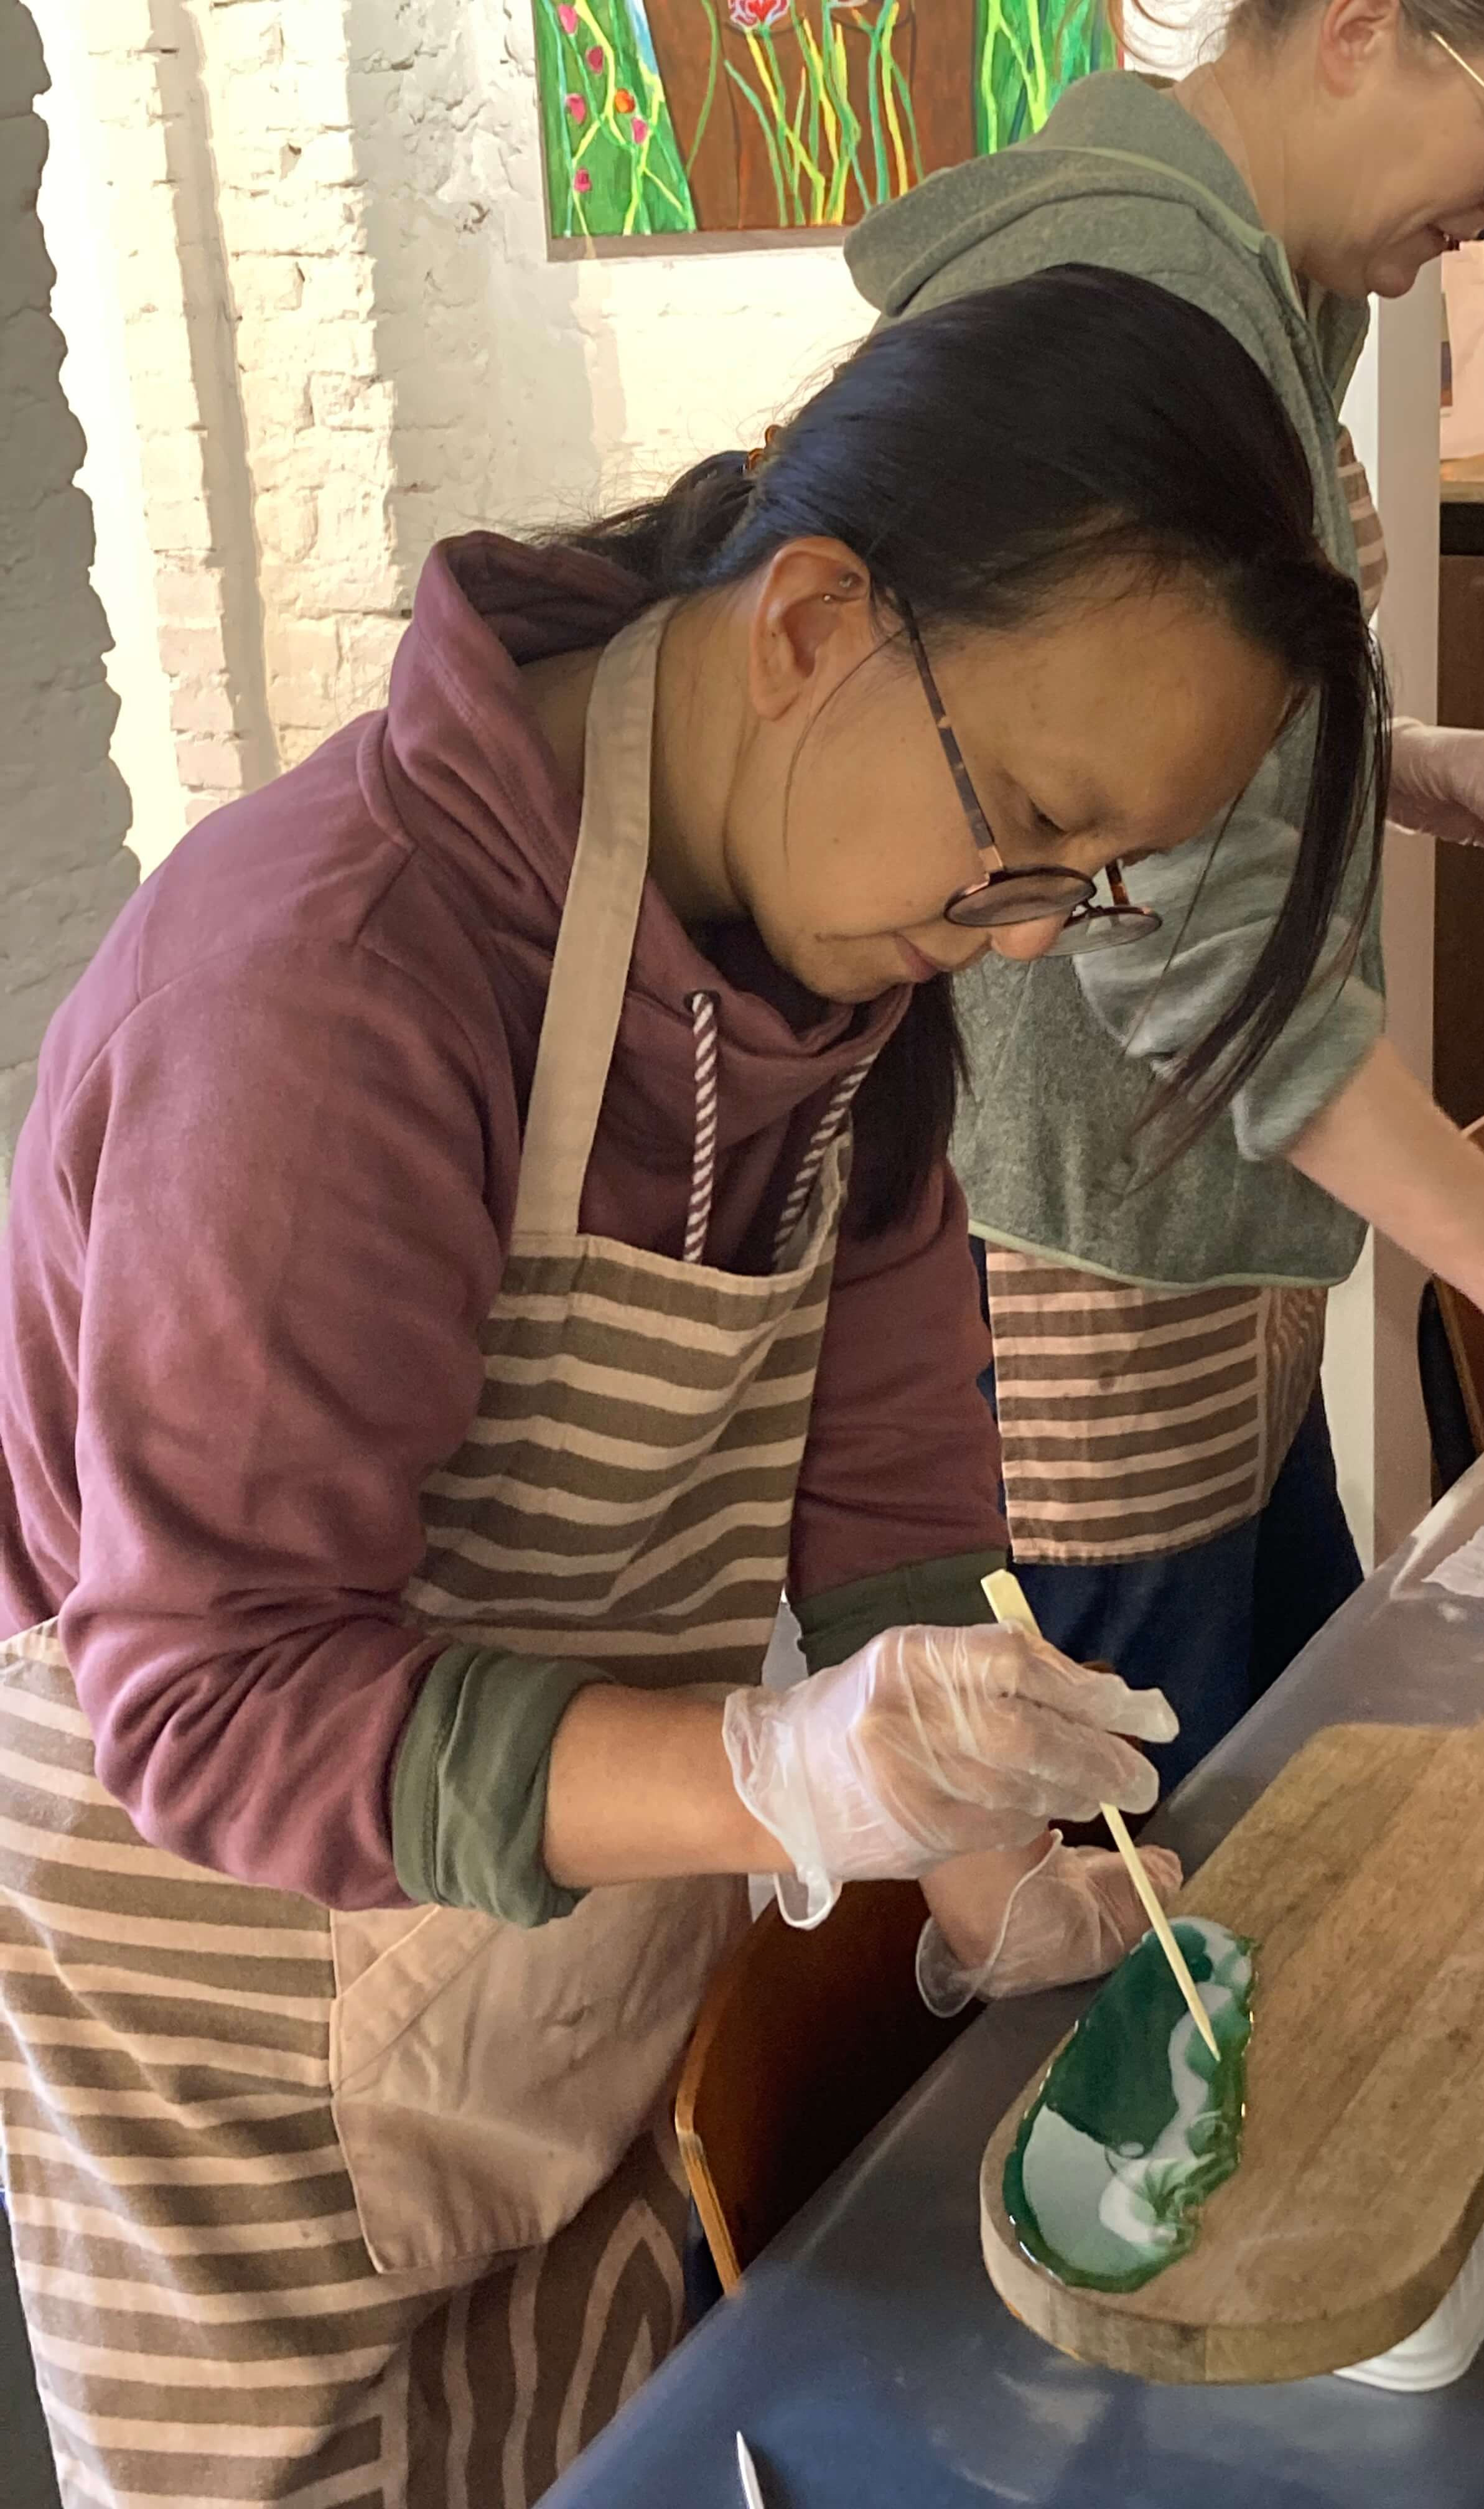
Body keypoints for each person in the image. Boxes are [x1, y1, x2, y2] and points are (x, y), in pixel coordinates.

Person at [0, 267, 1388, 2507]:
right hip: (237, 2042)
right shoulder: (325, 994)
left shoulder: (833, 970)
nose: (1031, 929)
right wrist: (771, 1775)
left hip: (542, 1985)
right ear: (816, 623)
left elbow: (896, 1464)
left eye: (1094, 885)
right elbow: (220, 1696)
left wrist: (975, 1846)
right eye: (1022, 827)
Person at [847, 0, 1484, 1786]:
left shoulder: (1265, 265)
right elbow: (1174, 933)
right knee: (1171, 1875)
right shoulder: (1137, 286)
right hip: (1091, 1284)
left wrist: (1390, 757)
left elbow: (1180, 720)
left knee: (1305, 1779)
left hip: (1211, 1231)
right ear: (1361, 31)